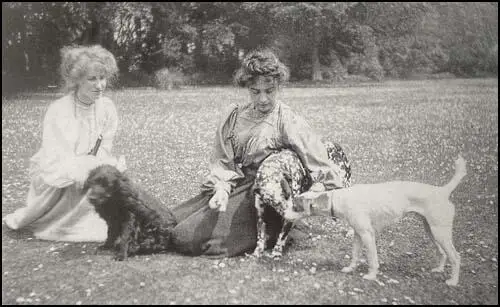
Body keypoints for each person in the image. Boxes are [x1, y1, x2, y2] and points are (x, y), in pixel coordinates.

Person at [170, 48, 344, 258]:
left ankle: (283, 228)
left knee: (188, 238)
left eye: (269, 91)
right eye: (255, 91)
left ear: (279, 86)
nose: (262, 99)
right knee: (174, 223)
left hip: (265, 193)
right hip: (237, 185)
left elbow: (318, 161)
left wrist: (315, 191)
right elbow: (223, 162)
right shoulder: (234, 117)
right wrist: (222, 190)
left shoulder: (286, 119)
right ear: (247, 88)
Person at [3, 44, 126, 242]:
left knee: (112, 178)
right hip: (56, 171)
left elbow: (103, 148)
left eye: (102, 78)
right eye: (92, 79)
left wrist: (100, 166)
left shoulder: (107, 108)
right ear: (77, 80)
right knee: (87, 181)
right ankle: (65, 223)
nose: (99, 85)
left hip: (88, 165)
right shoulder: (60, 110)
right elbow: (58, 157)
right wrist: (86, 168)